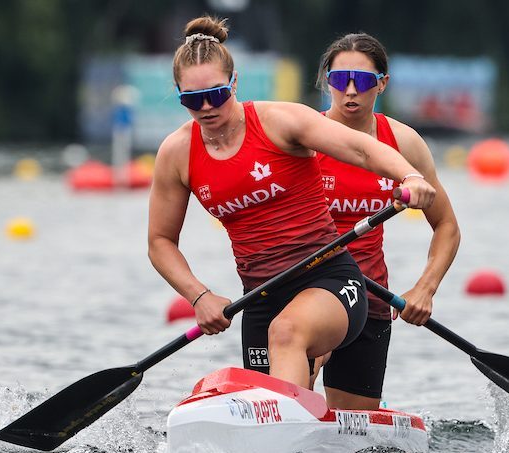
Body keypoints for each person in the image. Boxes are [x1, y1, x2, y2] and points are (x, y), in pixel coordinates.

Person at [147, 16, 437, 390]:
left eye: (217, 94)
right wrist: (199, 296)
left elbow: (361, 149)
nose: (206, 108)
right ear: (178, 93)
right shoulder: (176, 153)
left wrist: (410, 176)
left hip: (331, 280)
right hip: (260, 298)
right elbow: (160, 242)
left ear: (235, 83)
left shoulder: (279, 121)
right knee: (275, 357)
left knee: (286, 332)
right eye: (192, 99)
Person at [311, 33, 461, 409]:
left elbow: (447, 227)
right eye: (338, 79)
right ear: (326, 80)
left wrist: (424, 289)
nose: (349, 91)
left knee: (354, 432)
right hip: (307, 286)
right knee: (299, 364)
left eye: (361, 81)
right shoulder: (302, 139)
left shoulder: (404, 144)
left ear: (382, 83)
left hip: (370, 298)